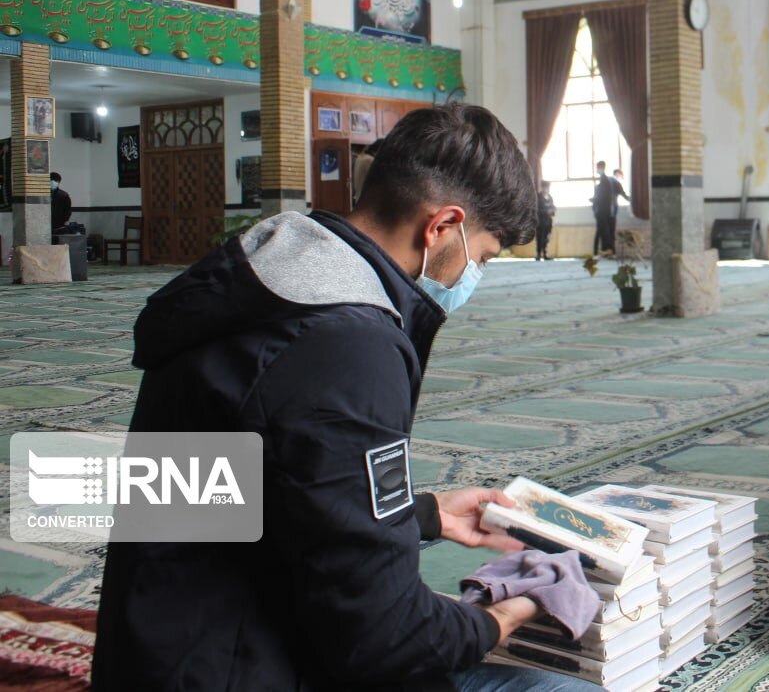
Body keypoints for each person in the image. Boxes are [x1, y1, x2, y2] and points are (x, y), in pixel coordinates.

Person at [93, 104, 601, 692]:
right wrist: (503, 617)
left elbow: (247, 494)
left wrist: (422, 513)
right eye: (481, 257)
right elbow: (385, 639)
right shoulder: (349, 342)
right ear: (441, 226)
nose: (474, 276)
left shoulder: (269, 280)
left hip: (163, 647)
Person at [351, 138, 383, 206]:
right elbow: (379, 179)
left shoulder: (360, 157)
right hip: (368, 200)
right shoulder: (369, 160)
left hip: (359, 197)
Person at [536, 180, 556, 261]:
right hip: (540, 221)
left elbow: (553, 207)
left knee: (546, 238)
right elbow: (535, 209)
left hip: (549, 221)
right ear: (542, 187)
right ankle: (538, 255)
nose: (546, 189)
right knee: (540, 238)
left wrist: (553, 210)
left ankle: (545, 254)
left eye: (547, 188)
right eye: (544, 187)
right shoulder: (538, 197)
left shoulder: (550, 197)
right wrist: (545, 211)